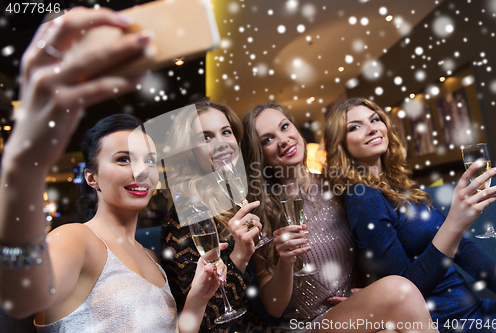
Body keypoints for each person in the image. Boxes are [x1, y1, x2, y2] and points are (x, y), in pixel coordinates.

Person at [0, 8, 224, 333]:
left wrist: (199, 298)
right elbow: (20, 299)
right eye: (123, 159)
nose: (141, 171)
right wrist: (26, 163)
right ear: (91, 177)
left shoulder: (151, 257)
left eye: (149, 160)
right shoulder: (76, 239)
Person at [240, 101, 440, 333]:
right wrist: (286, 262)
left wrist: (368, 293)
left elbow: (371, 250)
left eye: (285, 127)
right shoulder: (260, 211)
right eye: (268, 139)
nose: (283, 140)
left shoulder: (338, 186)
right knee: (400, 290)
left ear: (296, 130)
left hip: (356, 316)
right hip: (307, 325)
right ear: (259, 154)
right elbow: (274, 308)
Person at [324, 97, 496, 333]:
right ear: (341, 144)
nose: (372, 128)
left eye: (375, 119)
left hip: (476, 311)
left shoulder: (398, 183)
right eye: (355, 127)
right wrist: (454, 225)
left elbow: (462, 249)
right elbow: (404, 293)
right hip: (444, 323)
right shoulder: (363, 197)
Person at [161, 98, 278, 332]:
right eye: (206, 137)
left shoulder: (229, 196)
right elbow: (208, 320)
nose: (222, 144)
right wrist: (241, 255)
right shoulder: (188, 212)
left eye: (226, 132)